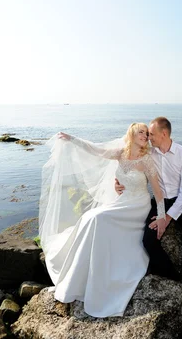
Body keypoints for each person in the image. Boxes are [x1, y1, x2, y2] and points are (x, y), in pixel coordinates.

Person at [39, 122, 167, 318]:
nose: (145, 136)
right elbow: (95, 150)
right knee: (87, 217)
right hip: (122, 200)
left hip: (137, 206)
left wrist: (161, 217)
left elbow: (158, 192)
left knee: (98, 218)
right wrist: (73, 140)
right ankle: (79, 276)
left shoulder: (146, 160)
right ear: (132, 134)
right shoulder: (120, 153)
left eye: (146, 133)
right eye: (141, 132)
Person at [115, 117, 182, 319]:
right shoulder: (149, 152)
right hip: (158, 202)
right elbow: (129, 159)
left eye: (151, 134)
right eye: (146, 134)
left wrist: (166, 218)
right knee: (148, 241)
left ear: (164, 134)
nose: (148, 137)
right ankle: (176, 281)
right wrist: (118, 181)